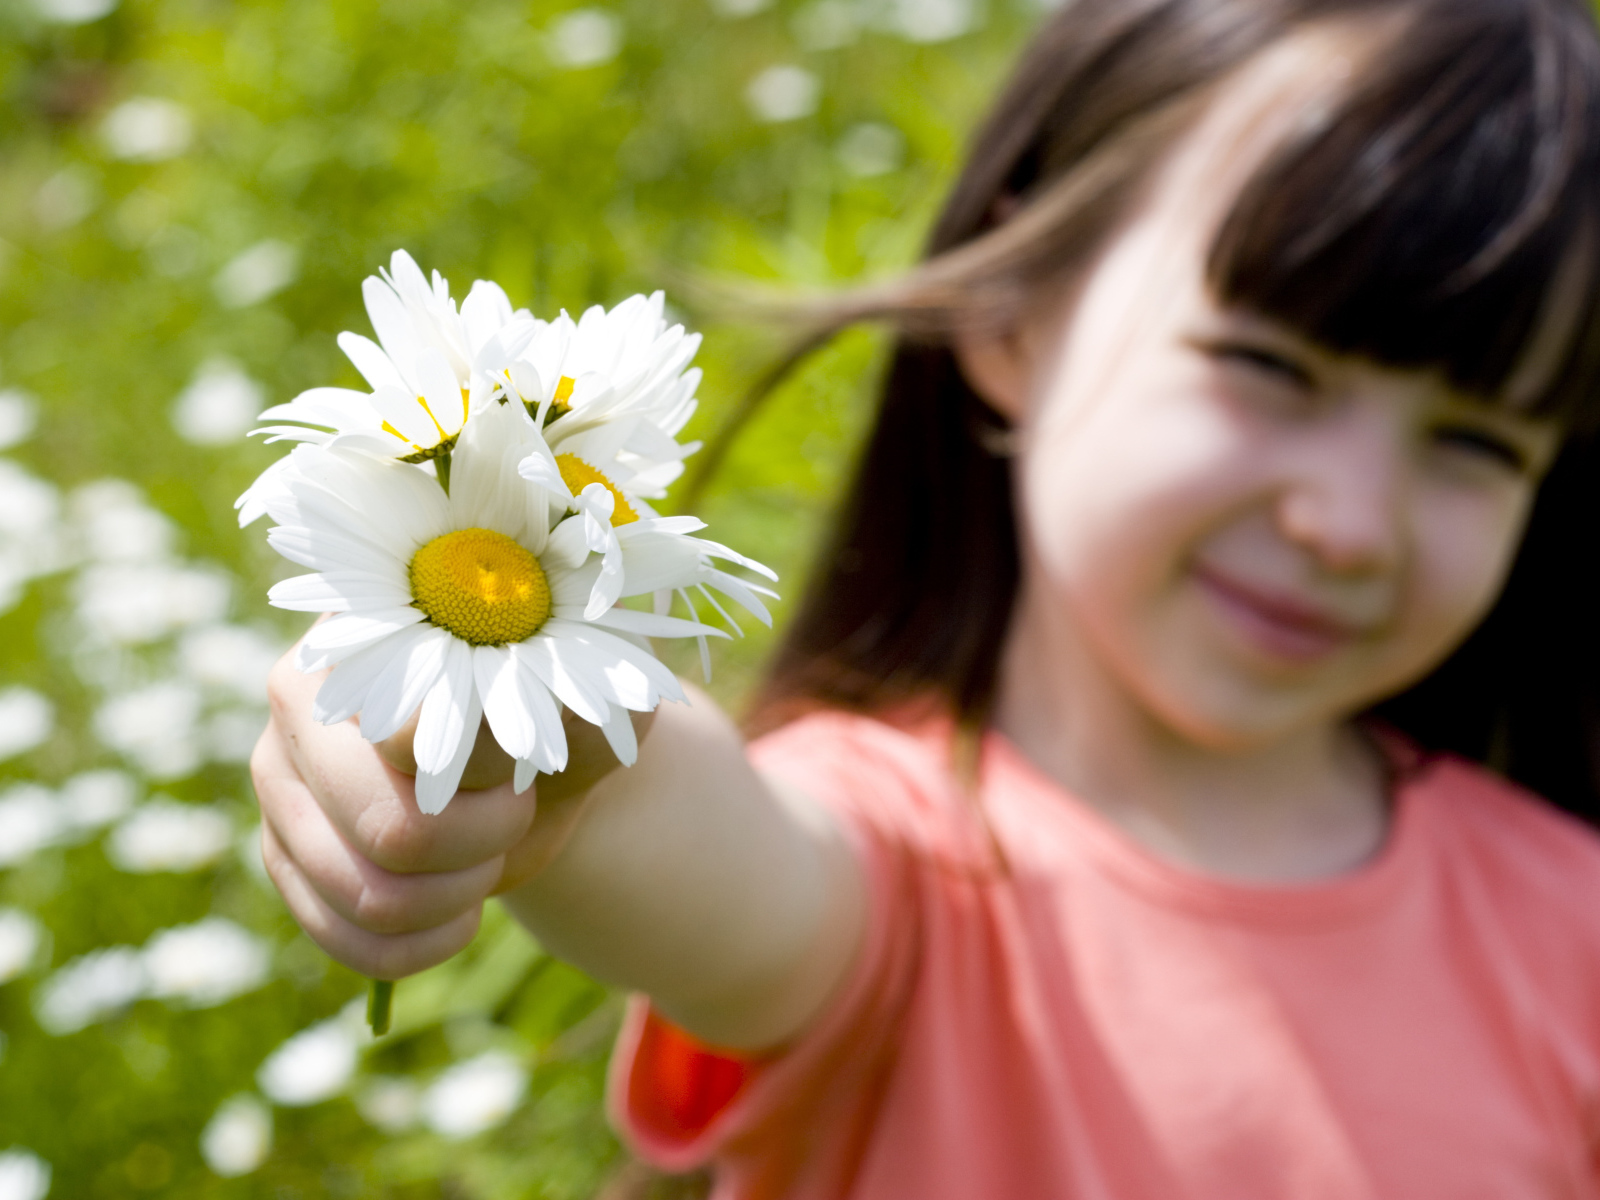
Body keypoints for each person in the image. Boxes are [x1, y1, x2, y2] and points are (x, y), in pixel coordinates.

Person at [251, 0, 1600, 1194]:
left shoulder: (1571, 927)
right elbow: (709, 847)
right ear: (1015, 317)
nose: (1350, 525)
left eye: (1477, 444)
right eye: (1270, 368)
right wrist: (548, 765)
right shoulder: (894, 875)